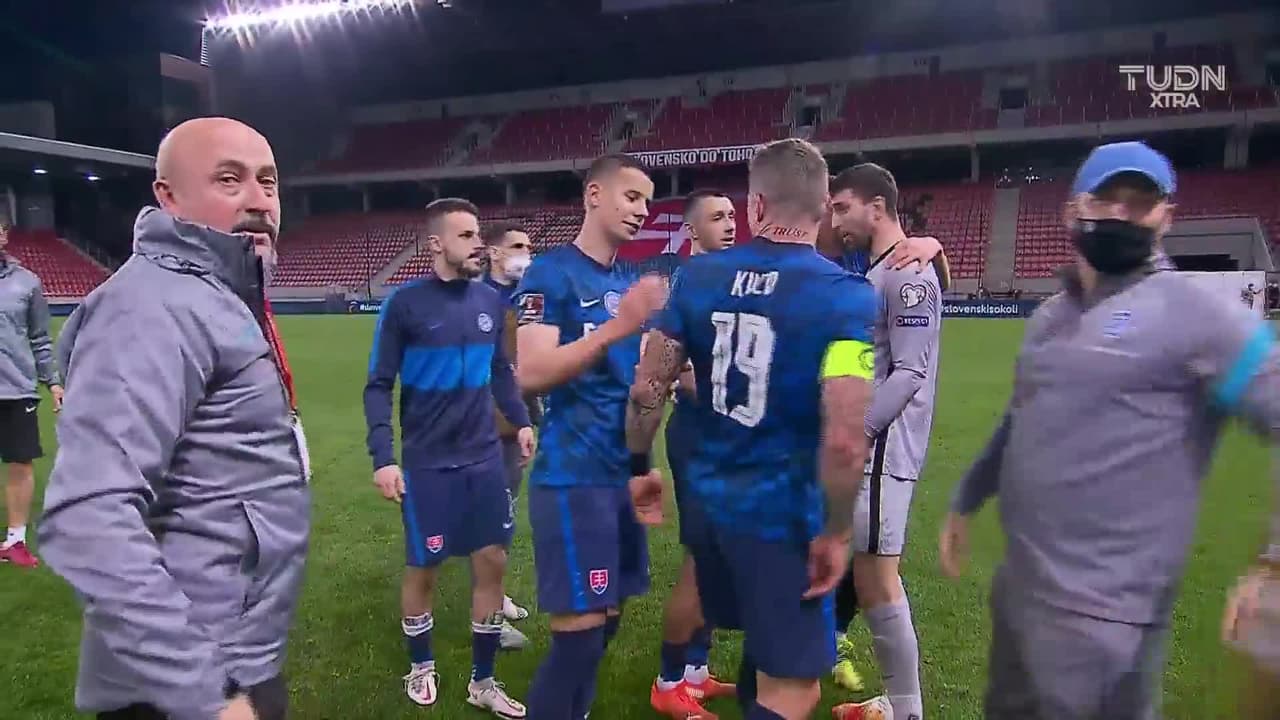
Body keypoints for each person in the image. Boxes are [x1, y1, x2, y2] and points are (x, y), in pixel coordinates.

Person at [938, 140, 1280, 719]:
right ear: (1073, 211)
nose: (1121, 214)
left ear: (1165, 217)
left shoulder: (1200, 315)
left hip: (1110, 621)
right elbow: (1021, 415)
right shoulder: (1051, 317)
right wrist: (968, 495)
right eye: (1106, 199)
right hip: (1021, 595)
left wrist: (1274, 563)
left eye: (1139, 203)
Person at [39, 116, 308, 720]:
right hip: (184, 683)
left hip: (235, 655)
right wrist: (203, 692)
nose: (259, 200)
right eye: (229, 180)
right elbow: (88, 515)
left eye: (268, 181)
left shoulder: (217, 295)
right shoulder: (150, 307)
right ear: (168, 196)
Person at [627, 138, 877, 720]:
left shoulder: (696, 277)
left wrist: (639, 467)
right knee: (794, 689)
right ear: (823, 208)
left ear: (755, 205)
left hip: (710, 505)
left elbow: (646, 389)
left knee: (763, 657)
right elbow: (845, 437)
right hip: (783, 516)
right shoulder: (845, 296)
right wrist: (837, 531)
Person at [363, 198, 534, 717]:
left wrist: (521, 420)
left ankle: (483, 680)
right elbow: (378, 385)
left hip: (484, 458)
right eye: (466, 236)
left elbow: (500, 370)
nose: (478, 244)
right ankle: (421, 665)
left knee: (492, 563)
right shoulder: (404, 305)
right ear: (435, 244)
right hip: (428, 463)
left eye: (478, 234)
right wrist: (383, 457)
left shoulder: (489, 302)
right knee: (425, 567)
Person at [514, 153, 668, 720]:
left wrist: (642, 466)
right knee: (578, 639)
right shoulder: (550, 274)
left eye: (648, 201)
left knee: (607, 624)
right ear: (594, 195)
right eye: (632, 196)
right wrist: (620, 326)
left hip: (620, 477)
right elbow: (531, 372)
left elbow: (637, 385)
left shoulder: (627, 281)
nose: (642, 210)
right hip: (573, 477)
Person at [828, 164, 943, 720]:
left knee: (878, 578)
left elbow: (910, 371)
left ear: (876, 207)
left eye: (842, 207)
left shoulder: (908, 272)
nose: (836, 220)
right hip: (870, 447)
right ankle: (899, 703)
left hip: (882, 451)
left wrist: (859, 431)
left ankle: (907, 709)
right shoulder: (882, 267)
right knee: (869, 578)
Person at [647, 189, 740, 719]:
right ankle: (669, 680)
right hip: (698, 434)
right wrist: (726, 388)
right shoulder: (684, 284)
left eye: (732, 215)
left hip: (726, 436)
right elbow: (667, 370)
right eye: (717, 217)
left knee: (719, 554)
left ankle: (697, 671)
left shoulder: (732, 279)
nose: (729, 224)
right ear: (691, 230)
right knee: (702, 555)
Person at [481, 219, 542, 625]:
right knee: (491, 512)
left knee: (504, 509)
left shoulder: (529, 298)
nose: (527, 255)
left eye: (529, 247)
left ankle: (494, 593)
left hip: (518, 417)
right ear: (494, 253)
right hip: (483, 419)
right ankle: (488, 604)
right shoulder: (478, 298)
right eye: (518, 247)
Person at [0, 222, 63, 569]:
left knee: (20, 462)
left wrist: (52, 382)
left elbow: (40, 338)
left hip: (15, 387)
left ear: (3, 236)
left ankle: (15, 540)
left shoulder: (27, 283)